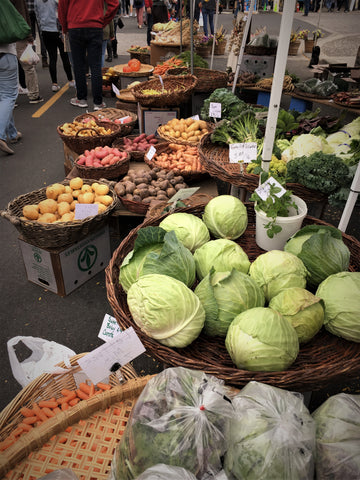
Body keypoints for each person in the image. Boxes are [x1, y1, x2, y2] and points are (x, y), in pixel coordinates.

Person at [58, 0, 119, 110]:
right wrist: (103, 21)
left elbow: (62, 7)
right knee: (95, 66)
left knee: (78, 64)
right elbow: (114, 4)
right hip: (95, 25)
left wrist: (65, 27)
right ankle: (98, 102)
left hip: (75, 26)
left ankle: (81, 98)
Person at [34, 0, 74, 92]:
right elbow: (61, 14)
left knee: (52, 57)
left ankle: (54, 83)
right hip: (59, 31)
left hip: (45, 31)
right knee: (65, 56)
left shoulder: (37, 1)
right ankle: (70, 80)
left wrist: (42, 29)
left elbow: (37, 16)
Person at [13, 0, 44, 104]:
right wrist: (29, 35)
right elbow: (23, 15)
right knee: (28, 66)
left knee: (7, 68)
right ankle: (33, 95)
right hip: (19, 34)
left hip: (4, 37)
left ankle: (8, 99)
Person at [0, 41, 22, 155]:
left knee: (3, 97)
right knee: (8, 96)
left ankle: (12, 133)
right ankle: (0, 135)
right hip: (5, 54)